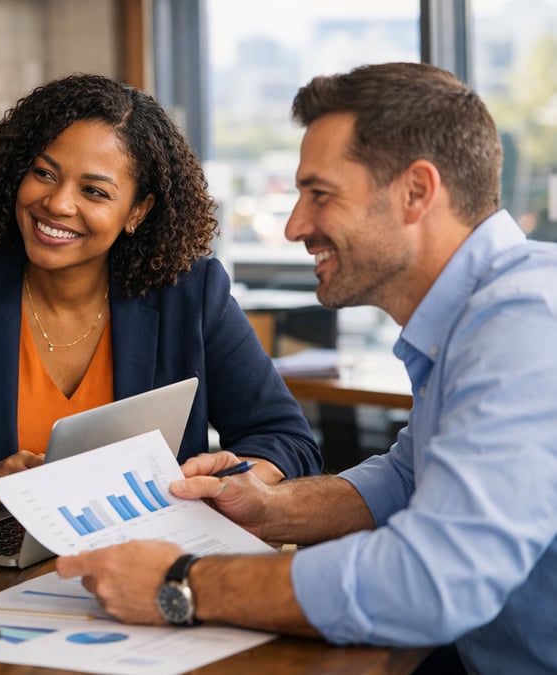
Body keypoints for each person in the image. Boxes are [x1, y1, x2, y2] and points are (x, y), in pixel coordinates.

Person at [56, 62, 557, 674]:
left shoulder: (526, 325)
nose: (295, 226)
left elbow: (430, 581)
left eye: (320, 194)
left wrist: (184, 583)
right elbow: (407, 478)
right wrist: (273, 507)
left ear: (417, 192)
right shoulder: (482, 316)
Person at [0, 73, 322, 506]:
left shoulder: (191, 295)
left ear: (138, 210)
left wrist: (233, 481)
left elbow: (286, 441)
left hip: (149, 556)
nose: (57, 203)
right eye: (44, 173)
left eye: (94, 192)